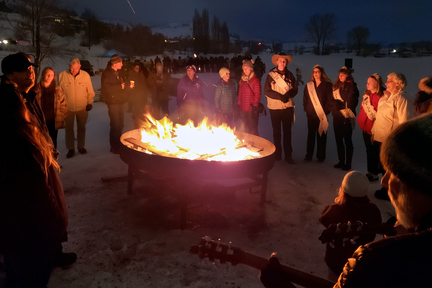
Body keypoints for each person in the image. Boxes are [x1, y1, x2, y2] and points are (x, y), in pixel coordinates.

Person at [0, 53, 75, 288]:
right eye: (24, 69)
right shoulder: (9, 102)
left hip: (42, 159)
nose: (30, 71)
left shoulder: (28, 95)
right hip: (23, 200)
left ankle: (54, 252)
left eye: (31, 67)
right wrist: (56, 220)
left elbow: (40, 127)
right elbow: (32, 187)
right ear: (10, 75)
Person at [319, 171, 382, 280]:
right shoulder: (373, 211)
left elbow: (323, 219)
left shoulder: (336, 209)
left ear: (343, 189)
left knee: (333, 282)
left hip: (335, 261)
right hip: (359, 262)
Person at [371, 72, 412, 200]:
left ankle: (390, 191)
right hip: (380, 138)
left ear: (398, 83)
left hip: (391, 141)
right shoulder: (385, 98)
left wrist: (401, 141)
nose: (386, 83)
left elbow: (405, 122)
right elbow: (380, 118)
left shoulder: (403, 99)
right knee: (383, 167)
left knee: (390, 168)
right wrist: (374, 132)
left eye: (389, 81)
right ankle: (385, 188)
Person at [264, 53, 298, 163]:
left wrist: (287, 96)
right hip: (274, 108)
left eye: (284, 61)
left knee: (287, 132)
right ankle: (277, 154)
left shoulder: (290, 75)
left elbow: (295, 89)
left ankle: (288, 156)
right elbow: (267, 91)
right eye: (280, 61)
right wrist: (280, 97)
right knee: (276, 132)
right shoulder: (270, 75)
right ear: (277, 62)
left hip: (287, 107)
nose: (282, 63)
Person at [59, 58, 95, 158]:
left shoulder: (85, 75)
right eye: (71, 69)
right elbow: (58, 92)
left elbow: (90, 91)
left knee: (81, 128)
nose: (72, 71)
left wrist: (89, 102)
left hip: (82, 107)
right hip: (68, 108)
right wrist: (60, 104)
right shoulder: (62, 75)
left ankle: (81, 147)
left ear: (79, 67)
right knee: (69, 129)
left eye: (75, 69)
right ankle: (71, 148)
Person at [356, 74, 385, 182]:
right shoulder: (366, 95)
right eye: (367, 82)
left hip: (375, 129)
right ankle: (370, 172)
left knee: (375, 152)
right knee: (369, 150)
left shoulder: (382, 97)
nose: (367, 84)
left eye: (370, 82)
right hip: (365, 127)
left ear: (376, 84)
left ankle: (375, 173)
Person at [331, 66, 359, 171]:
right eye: (339, 74)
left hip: (347, 116)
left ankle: (348, 163)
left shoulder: (352, 86)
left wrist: (340, 105)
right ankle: (341, 160)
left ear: (348, 75)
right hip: (337, 116)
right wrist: (335, 105)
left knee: (347, 140)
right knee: (338, 140)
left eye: (343, 74)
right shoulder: (336, 85)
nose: (340, 76)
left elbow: (351, 102)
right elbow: (331, 99)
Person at [303, 65, 332, 162]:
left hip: (322, 115)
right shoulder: (309, 85)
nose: (315, 74)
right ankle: (309, 155)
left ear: (321, 73)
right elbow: (305, 99)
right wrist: (307, 109)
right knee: (310, 135)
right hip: (311, 115)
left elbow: (330, 100)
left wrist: (326, 111)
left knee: (321, 136)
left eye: (318, 72)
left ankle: (321, 156)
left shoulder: (327, 85)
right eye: (314, 72)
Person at [32, 67, 67, 148]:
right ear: (43, 75)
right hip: (40, 123)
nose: (49, 76)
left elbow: (64, 104)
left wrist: (60, 115)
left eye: (51, 75)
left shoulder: (57, 90)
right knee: (41, 144)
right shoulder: (35, 90)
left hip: (53, 122)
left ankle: (53, 160)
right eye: (47, 74)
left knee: (53, 144)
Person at [101, 55, 129, 154]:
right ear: (115, 63)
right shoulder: (107, 73)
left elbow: (122, 84)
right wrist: (119, 86)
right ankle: (114, 146)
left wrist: (127, 86)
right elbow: (106, 87)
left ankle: (118, 143)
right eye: (120, 62)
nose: (122, 64)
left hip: (121, 101)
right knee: (115, 125)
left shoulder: (120, 72)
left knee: (120, 124)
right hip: (113, 103)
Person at [238, 59, 261, 136]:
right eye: (244, 69)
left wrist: (255, 107)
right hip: (243, 109)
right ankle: (248, 145)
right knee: (246, 129)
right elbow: (240, 94)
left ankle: (256, 145)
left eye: (246, 68)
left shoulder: (255, 80)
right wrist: (238, 105)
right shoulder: (242, 80)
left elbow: (257, 94)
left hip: (251, 109)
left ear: (251, 69)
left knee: (253, 130)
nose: (245, 70)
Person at [127, 62, 150, 128]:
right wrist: (131, 87)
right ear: (133, 68)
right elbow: (130, 87)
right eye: (136, 68)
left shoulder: (141, 74)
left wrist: (145, 92)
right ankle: (136, 126)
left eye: (138, 68)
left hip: (143, 95)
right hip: (136, 97)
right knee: (137, 112)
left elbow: (144, 84)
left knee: (143, 111)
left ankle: (142, 125)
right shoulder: (131, 74)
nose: (137, 69)